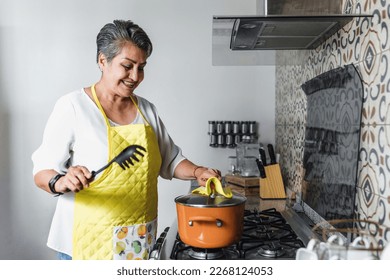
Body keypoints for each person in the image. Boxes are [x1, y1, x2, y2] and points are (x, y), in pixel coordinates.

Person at [31, 19, 221, 260]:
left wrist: (197, 171)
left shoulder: (147, 110)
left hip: (138, 241)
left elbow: (170, 160)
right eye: (127, 66)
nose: (135, 76)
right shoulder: (73, 106)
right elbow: (41, 172)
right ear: (103, 61)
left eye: (141, 67)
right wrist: (61, 181)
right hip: (85, 243)